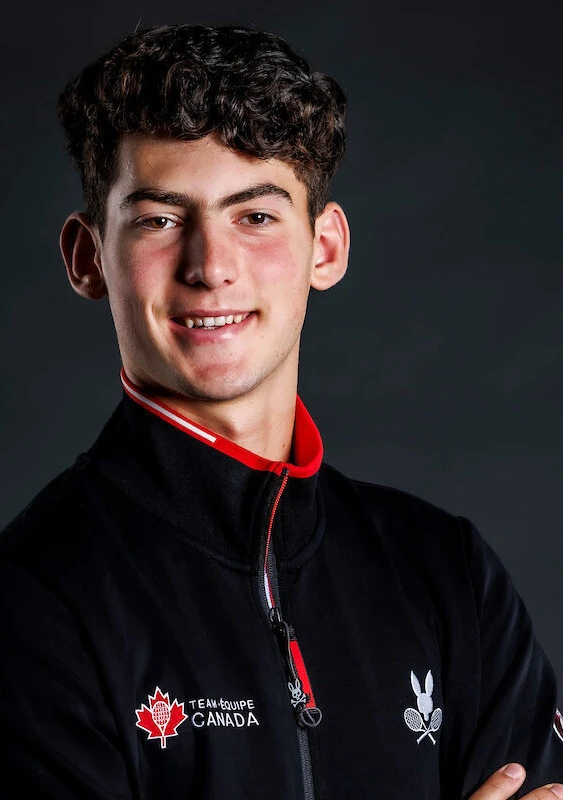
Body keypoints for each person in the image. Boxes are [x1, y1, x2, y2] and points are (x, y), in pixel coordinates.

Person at [0, 22, 561, 800]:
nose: (210, 267)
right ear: (89, 257)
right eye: (160, 219)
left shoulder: (447, 575)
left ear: (324, 248)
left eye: (255, 216)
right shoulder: (29, 599)